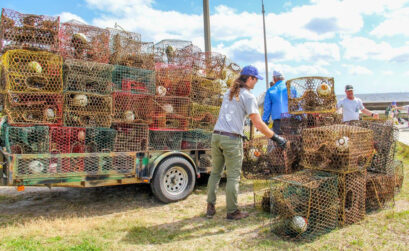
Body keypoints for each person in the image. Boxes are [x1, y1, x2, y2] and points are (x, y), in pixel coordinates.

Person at [206, 65, 288, 220]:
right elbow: (257, 123)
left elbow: (230, 116)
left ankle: (210, 206)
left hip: (216, 136)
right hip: (231, 139)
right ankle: (232, 211)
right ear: (250, 78)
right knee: (233, 176)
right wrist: (276, 137)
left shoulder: (229, 93)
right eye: (256, 79)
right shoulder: (248, 96)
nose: (256, 82)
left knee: (215, 173)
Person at [262, 70, 288, 134]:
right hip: (292, 119)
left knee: (280, 141)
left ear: (274, 78)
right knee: (294, 140)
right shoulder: (291, 88)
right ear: (283, 78)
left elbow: (267, 108)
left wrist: (264, 121)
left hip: (278, 121)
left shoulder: (270, 90)